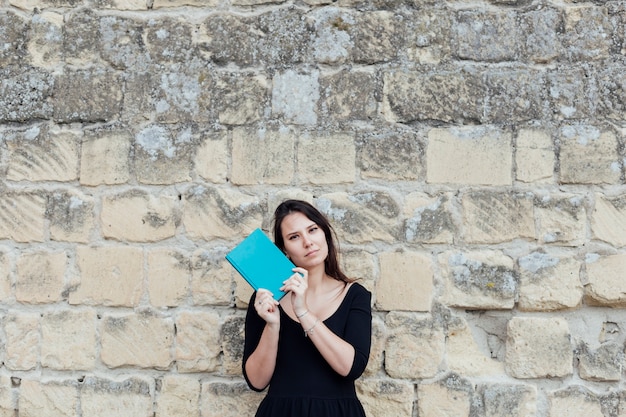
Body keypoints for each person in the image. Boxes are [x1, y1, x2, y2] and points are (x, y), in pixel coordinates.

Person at [242, 199, 372, 417]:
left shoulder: (354, 295)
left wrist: (303, 311)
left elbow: (351, 367)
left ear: (325, 233)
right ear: (284, 249)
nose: (308, 242)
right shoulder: (266, 298)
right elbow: (256, 381)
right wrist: (272, 326)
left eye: (312, 230)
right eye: (294, 237)